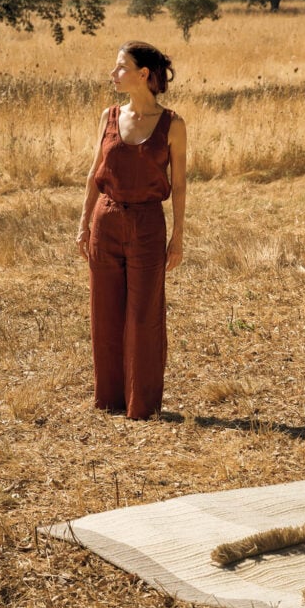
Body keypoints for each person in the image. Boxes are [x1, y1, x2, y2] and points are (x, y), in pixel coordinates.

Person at [76, 41, 187, 419]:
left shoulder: (173, 124)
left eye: (121, 67)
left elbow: (182, 184)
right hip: (104, 222)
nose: (113, 73)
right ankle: (109, 400)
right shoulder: (109, 116)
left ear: (143, 74)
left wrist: (178, 237)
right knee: (105, 312)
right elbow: (94, 173)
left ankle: (142, 406)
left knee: (144, 316)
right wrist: (83, 224)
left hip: (147, 225)